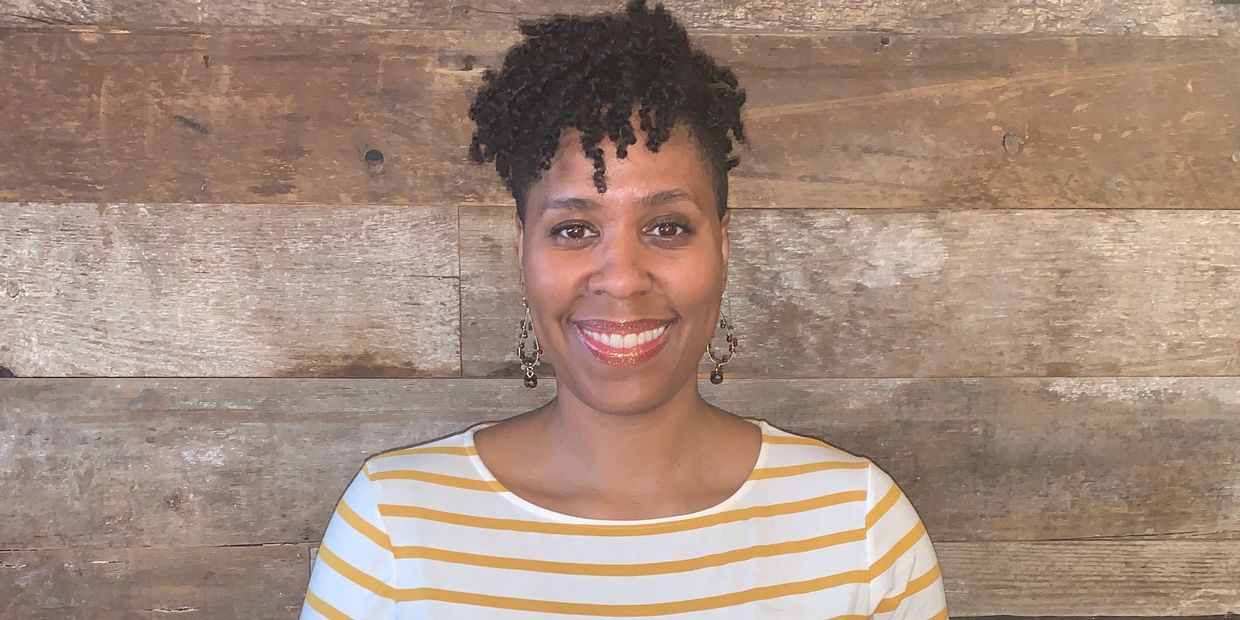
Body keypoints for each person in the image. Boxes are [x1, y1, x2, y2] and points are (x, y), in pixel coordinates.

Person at [300, 1, 947, 617]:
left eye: (666, 227)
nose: (622, 279)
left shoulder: (859, 530)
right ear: (522, 249)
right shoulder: (394, 528)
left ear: (721, 245)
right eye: (575, 230)